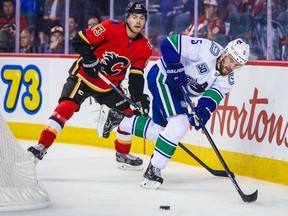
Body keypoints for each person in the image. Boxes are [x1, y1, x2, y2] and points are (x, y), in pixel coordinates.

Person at [101, 35, 250, 189]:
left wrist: (202, 113)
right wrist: (175, 68)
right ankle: (154, 169)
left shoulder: (228, 80)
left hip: (178, 90)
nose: (231, 67)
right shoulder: (207, 50)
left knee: (164, 133)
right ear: (225, 53)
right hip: (162, 77)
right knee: (180, 124)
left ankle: (120, 119)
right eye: (231, 60)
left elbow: (211, 99)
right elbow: (169, 43)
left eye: (236, 65)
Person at [27, 2, 152, 171]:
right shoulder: (110, 27)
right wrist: (89, 58)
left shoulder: (144, 47)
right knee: (66, 107)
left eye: (142, 18)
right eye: (134, 17)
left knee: (129, 113)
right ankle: (41, 147)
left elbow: (136, 75)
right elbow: (78, 40)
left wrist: (137, 98)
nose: (138, 21)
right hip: (84, 77)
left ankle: (122, 154)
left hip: (109, 86)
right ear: (127, 18)